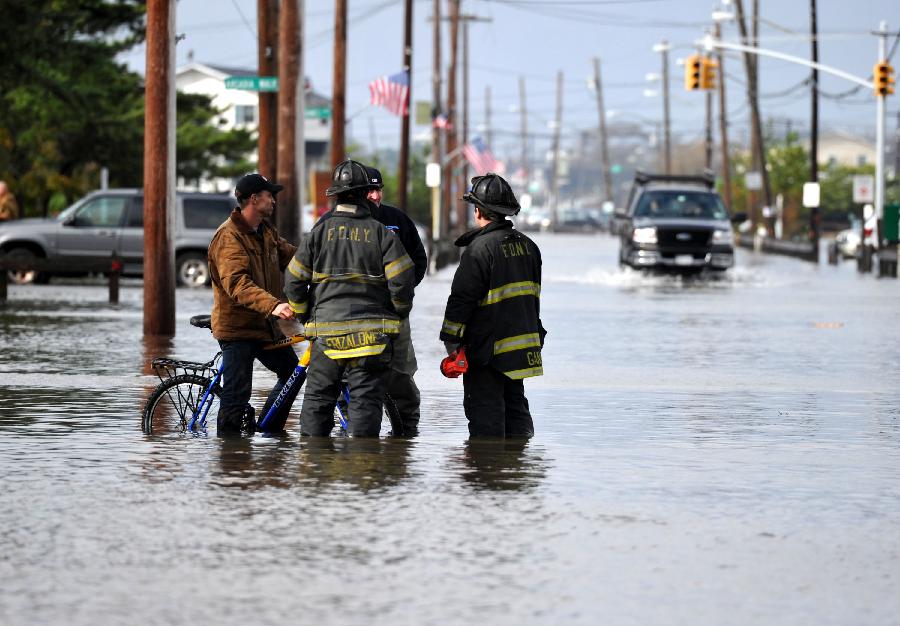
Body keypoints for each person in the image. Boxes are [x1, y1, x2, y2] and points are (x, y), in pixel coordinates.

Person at [284, 159, 415, 437]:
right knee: (366, 404)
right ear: (364, 194)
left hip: (326, 336)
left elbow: (294, 279)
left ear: (337, 195)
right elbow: (402, 282)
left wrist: (306, 315)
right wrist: (396, 313)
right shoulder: (382, 234)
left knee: (318, 401)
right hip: (372, 340)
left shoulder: (318, 233)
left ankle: (315, 467)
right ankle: (363, 468)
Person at [439, 173, 546, 438]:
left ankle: (490, 471)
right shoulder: (529, 247)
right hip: (520, 349)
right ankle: (517, 466)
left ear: (477, 211)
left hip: (487, 351)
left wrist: (451, 342)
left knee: (485, 422)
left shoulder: (479, 250)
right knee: (515, 409)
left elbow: (461, 301)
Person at [207, 173, 299, 434]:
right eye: (270, 195)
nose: (274, 201)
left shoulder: (266, 232)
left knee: (293, 373)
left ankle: (268, 429)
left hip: (263, 326)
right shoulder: (228, 237)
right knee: (236, 399)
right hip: (238, 329)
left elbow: (294, 259)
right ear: (254, 199)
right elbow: (237, 284)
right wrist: (274, 306)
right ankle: (231, 460)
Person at [365, 166, 428, 435]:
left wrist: (401, 296)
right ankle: (357, 432)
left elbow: (418, 261)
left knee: (400, 374)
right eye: (369, 190)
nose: (375, 196)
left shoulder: (398, 220)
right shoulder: (331, 223)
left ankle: (406, 433)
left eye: (378, 189)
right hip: (351, 316)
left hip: (395, 313)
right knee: (353, 377)